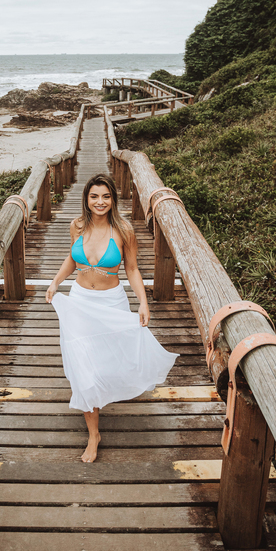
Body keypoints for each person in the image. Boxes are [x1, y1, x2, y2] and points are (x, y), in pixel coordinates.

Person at [45, 172, 177, 463]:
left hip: (111, 303)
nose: (100, 202)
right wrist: (55, 282)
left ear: (113, 199)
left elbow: (132, 269)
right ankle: (94, 434)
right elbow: (72, 258)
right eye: (94, 196)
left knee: (106, 362)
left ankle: (105, 391)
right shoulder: (77, 225)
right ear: (86, 199)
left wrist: (143, 302)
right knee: (83, 368)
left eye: (106, 196)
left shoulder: (124, 230)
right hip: (80, 302)